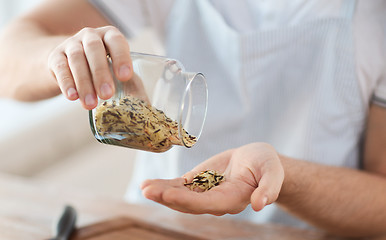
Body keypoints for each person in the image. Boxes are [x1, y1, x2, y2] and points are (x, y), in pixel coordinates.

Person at [0, 0, 385, 238]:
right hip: (156, 223)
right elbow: (8, 56)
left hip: (300, 233)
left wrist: (284, 177)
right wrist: (61, 57)